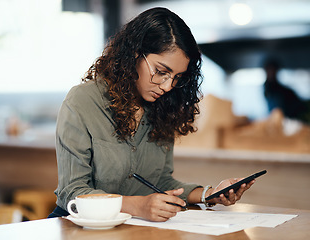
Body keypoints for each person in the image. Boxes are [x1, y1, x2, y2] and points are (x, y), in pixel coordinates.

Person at [49, 7, 254, 222]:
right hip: (78, 228)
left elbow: (161, 182)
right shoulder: (83, 101)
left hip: (131, 228)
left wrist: (209, 194)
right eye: (161, 72)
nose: (167, 86)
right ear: (134, 54)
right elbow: (71, 193)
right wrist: (137, 205)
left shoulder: (163, 108)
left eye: (176, 77)